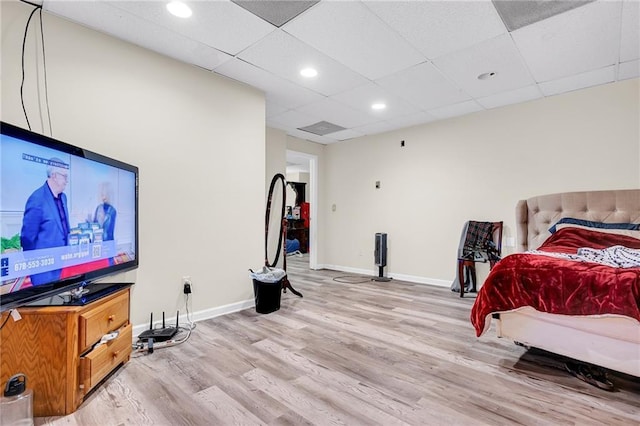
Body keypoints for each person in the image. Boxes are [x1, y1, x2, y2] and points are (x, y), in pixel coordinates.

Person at [20, 158, 71, 286]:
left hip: (63, 263)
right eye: (64, 176)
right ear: (54, 176)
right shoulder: (37, 199)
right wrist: (36, 265)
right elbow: (27, 238)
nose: (67, 181)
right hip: (44, 270)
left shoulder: (63, 197)